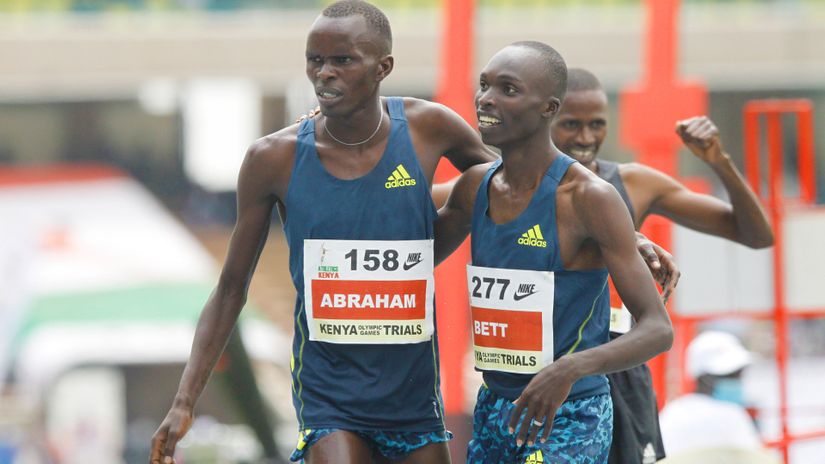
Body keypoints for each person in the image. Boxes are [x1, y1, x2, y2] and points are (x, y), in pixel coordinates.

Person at [149, 2, 499, 463]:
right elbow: (231, 287)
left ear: (383, 67)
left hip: (411, 395)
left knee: (483, 184)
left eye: (343, 60)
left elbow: (515, 187)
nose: (325, 74)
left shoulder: (427, 128)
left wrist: (603, 226)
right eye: (316, 60)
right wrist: (183, 401)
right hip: (329, 394)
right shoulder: (273, 159)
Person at [435, 41, 673, 463]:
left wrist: (569, 368)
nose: (487, 98)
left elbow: (657, 329)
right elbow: (414, 251)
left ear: (549, 108)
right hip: (494, 407)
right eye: (485, 85)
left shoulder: (588, 198)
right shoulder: (474, 186)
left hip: (569, 411)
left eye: (508, 90)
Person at [549, 68, 774, 464]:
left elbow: (756, 234)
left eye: (597, 124)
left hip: (620, 372)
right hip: (551, 370)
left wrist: (717, 160)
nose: (586, 138)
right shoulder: (513, 188)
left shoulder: (634, 184)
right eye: (571, 124)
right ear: (546, 118)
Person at [658, 331, 778, 464]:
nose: (736, 381)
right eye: (729, 375)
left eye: (738, 374)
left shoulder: (672, 412)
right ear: (703, 379)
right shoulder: (732, 414)